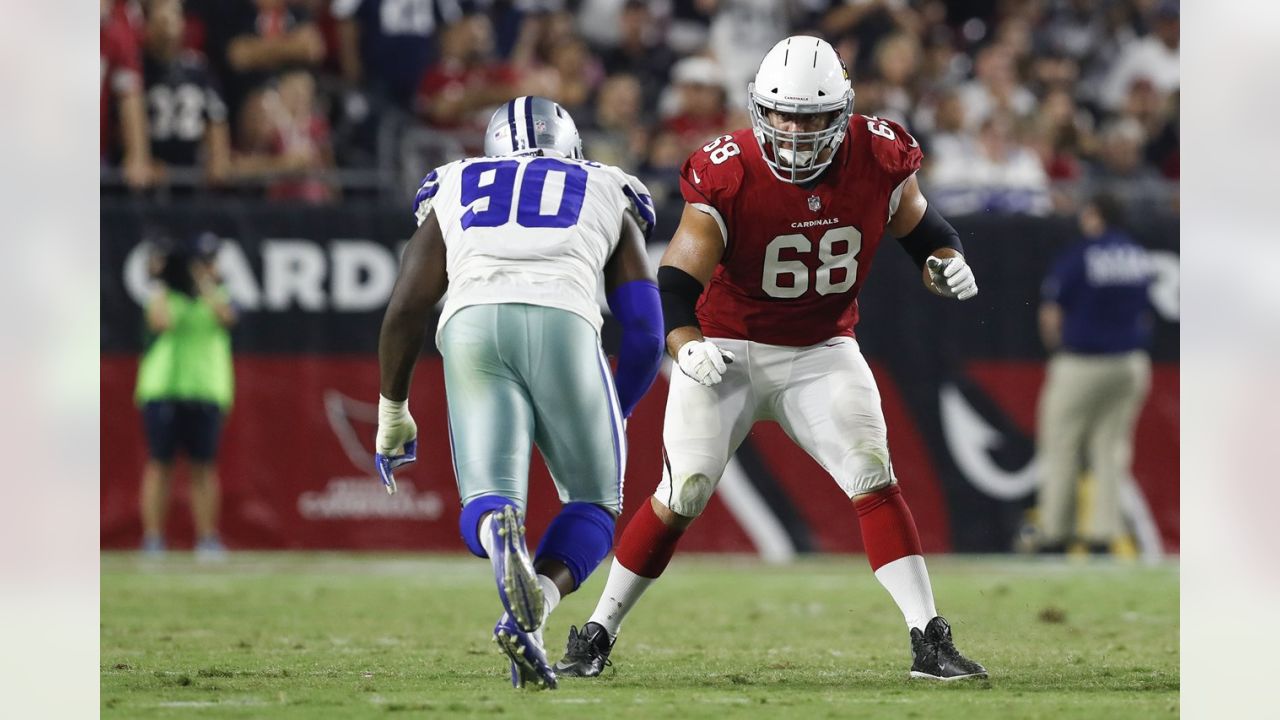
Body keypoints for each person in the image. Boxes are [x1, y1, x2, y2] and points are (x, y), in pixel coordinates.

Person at [556, 35, 988, 682]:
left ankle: (929, 639)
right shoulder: (729, 170)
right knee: (685, 489)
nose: (794, 129)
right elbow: (674, 284)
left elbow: (923, 231)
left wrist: (945, 263)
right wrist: (688, 345)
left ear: (841, 113)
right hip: (726, 349)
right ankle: (595, 632)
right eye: (782, 113)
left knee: (873, 476)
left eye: (811, 117)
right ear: (759, 108)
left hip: (821, 350)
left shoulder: (879, 153)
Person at [374, 97, 665, 689]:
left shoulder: (456, 181)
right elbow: (645, 331)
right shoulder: (605, 183)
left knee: (488, 498)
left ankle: (509, 573)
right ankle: (537, 602)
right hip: (563, 318)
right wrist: (620, 407)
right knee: (593, 503)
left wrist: (391, 412)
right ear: (574, 147)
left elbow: (405, 308)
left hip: (471, 323)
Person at [1034, 194, 1153, 554]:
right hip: (1130, 363)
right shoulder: (1137, 256)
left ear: (1095, 214)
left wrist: (1057, 349)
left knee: (1061, 444)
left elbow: (1052, 311)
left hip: (1082, 362)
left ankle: (1056, 532)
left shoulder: (1081, 254)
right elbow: (1146, 314)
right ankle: (1105, 532)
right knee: (1111, 448)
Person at [135, 232, 237, 559]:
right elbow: (160, 323)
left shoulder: (221, 294)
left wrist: (204, 286)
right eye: (204, 262)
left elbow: (228, 318)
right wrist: (164, 280)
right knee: (160, 465)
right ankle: (153, 539)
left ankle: (207, 538)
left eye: (212, 261)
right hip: (164, 389)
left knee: (203, 467)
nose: (210, 267)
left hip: (206, 390)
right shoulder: (167, 296)